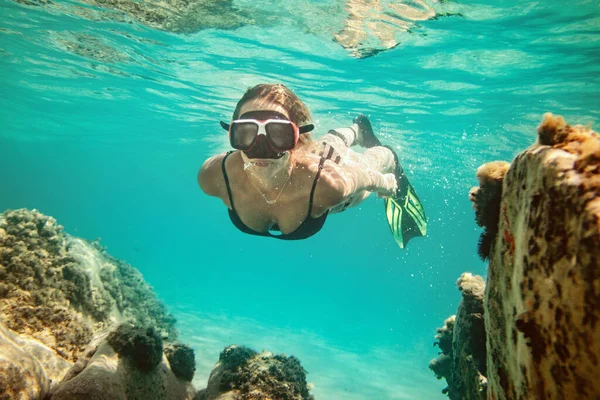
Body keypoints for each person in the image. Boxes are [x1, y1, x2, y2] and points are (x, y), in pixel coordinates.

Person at [198, 83, 426, 245]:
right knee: (327, 146)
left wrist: (388, 184)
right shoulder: (214, 176)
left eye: (278, 134)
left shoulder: (328, 184)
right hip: (307, 169)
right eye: (246, 133)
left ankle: (369, 140)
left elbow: (365, 176)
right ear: (233, 133)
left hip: (330, 189)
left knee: (357, 159)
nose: (261, 148)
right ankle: (354, 131)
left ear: (297, 138)